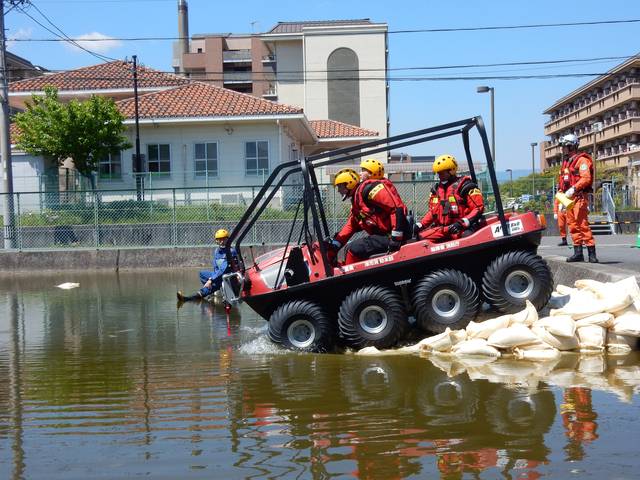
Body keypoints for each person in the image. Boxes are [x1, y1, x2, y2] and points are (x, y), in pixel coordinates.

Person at [329, 167, 408, 264]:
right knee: (349, 248)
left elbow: (396, 209)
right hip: (385, 236)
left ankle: (351, 278)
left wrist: (396, 238)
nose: (338, 190)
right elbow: (352, 224)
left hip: (393, 236)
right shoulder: (357, 199)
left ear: (349, 184)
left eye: (340, 187)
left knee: (353, 249)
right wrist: (335, 244)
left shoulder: (369, 190)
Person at [414, 154, 485, 243]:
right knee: (418, 240)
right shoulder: (436, 189)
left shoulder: (465, 186)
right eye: (438, 173)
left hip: (461, 228)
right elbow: (433, 212)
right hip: (443, 230)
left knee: (468, 240)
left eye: (442, 173)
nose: (439, 175)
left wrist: (462, 223)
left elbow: (478, 208)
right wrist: (420, 224)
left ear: (451, 171)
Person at [558, 134, 598, 263]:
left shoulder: (582, 161)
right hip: (568, 198)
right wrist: (561, 200)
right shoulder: (566, 162)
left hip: (579, 197)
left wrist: (574, 189)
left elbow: (586, 179)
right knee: (572, 225)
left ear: (571, 146)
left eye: (565, 147)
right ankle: (578, 253)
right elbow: (563, 182)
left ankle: (591, 253)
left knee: (582, 225)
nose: (562, 149)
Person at [177, 228, 238, 302]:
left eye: (224, 239)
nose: (222, 241)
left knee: (214, 282)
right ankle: (212, 290)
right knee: (202, 274)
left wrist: (211, 280)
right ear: (216, 241)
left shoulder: (231, 251)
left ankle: (189, 298)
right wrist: (213, 278)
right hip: (218, 275)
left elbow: (223, 269)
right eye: (219, 239)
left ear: (228, 240)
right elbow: (216, 268)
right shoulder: (217, 251)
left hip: (228, 277)